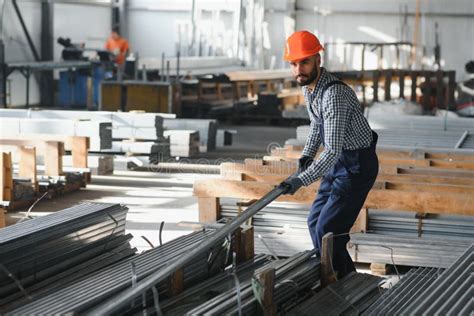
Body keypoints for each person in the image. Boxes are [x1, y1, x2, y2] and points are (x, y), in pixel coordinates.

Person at [279, 30, 379, 278]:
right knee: (315, 222)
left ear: (318, 60)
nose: (298, 69)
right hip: (340, 163)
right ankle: (332, 276)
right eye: (294, 64)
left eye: (304, 62)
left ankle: (344, 282)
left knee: (329, 230)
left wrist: (300, 180)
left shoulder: (333, 95)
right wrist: (306, 157)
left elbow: (332, 150)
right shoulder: (310, 88)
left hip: (356, 166)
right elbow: (316, 125)